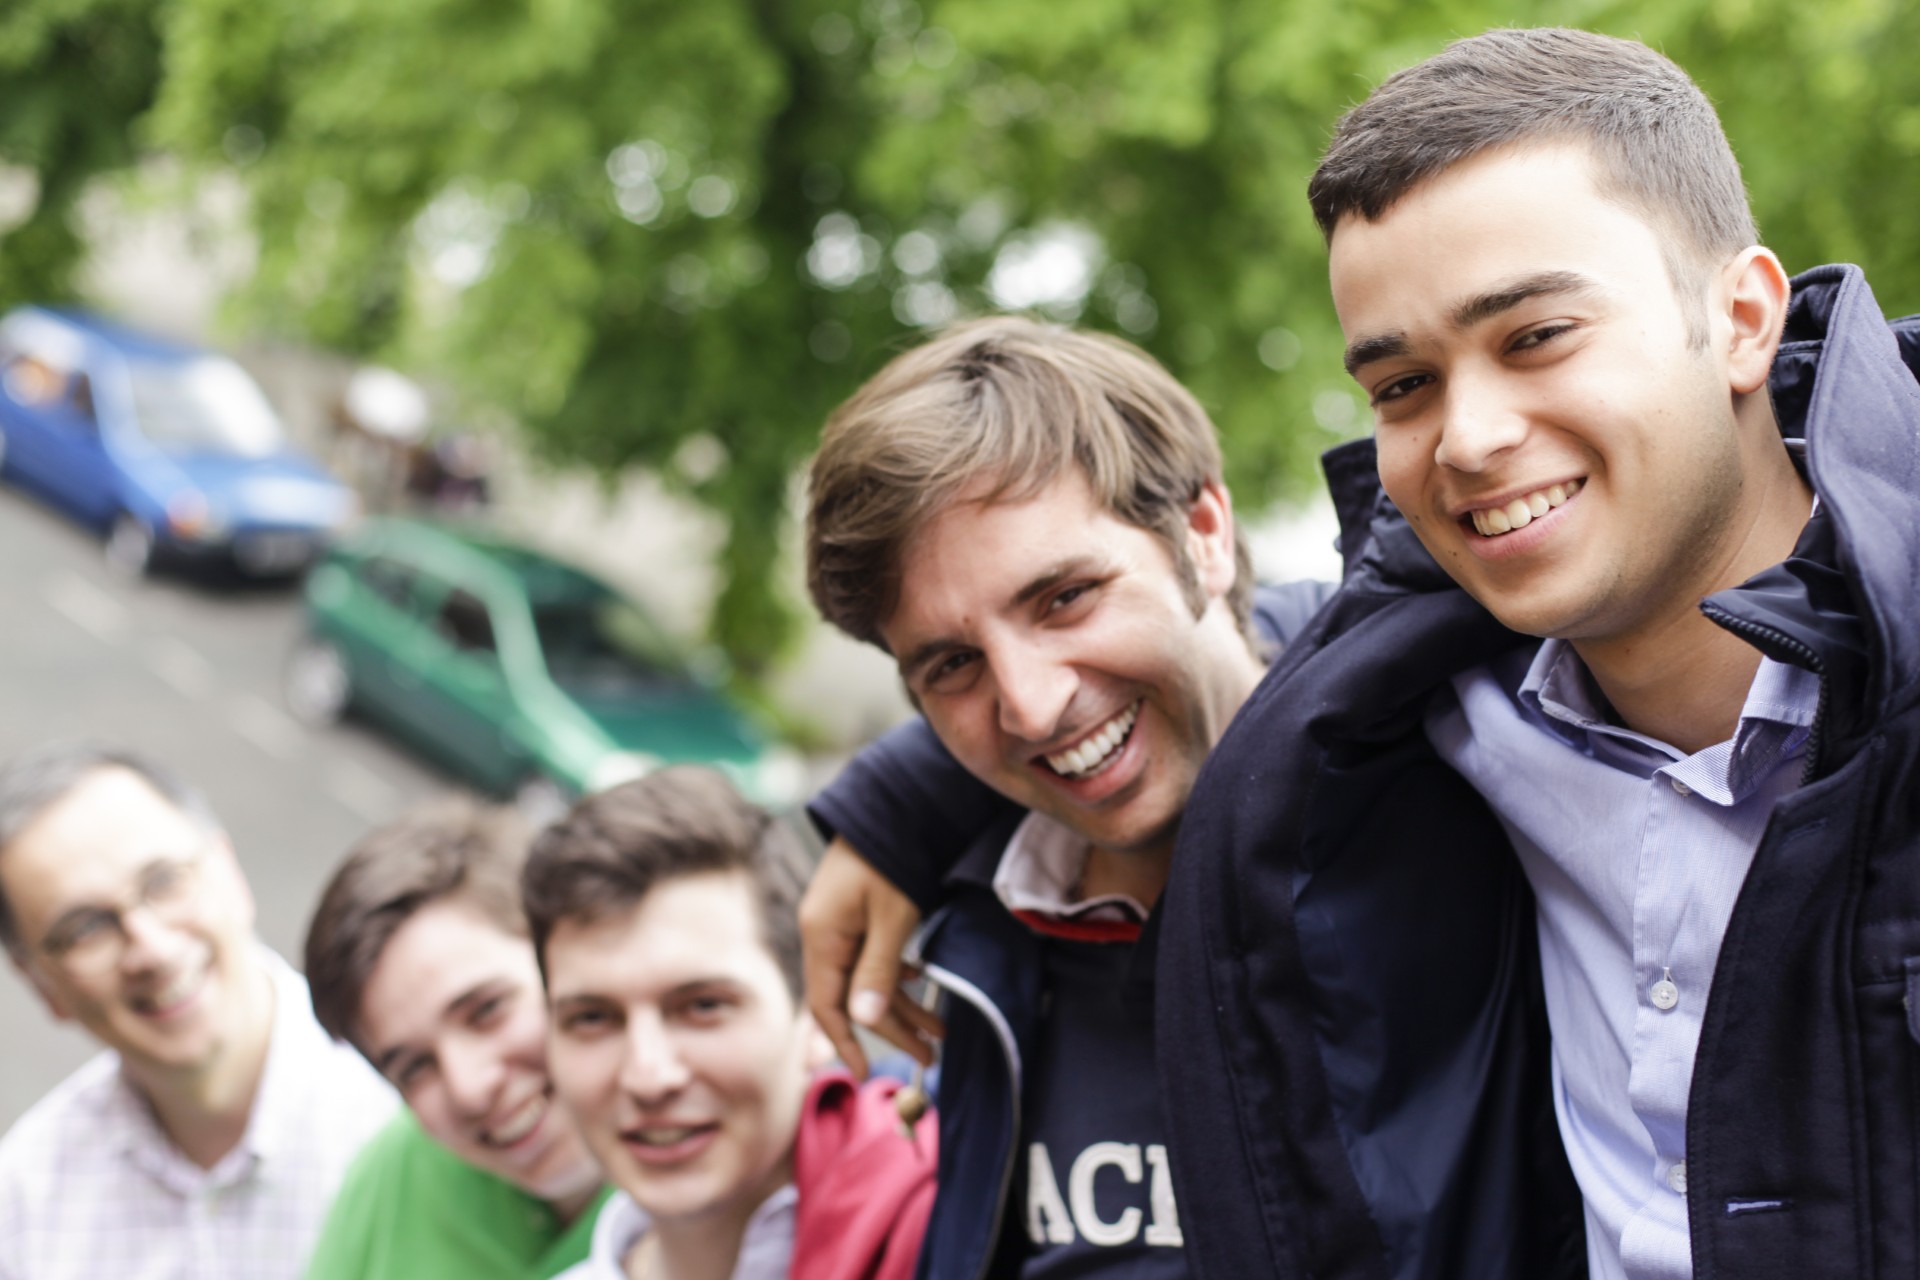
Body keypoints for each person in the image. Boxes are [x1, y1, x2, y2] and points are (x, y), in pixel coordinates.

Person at [802, 26, 1920, 1280]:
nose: (1473, 436)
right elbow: (1210, 660)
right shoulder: (1422, 710)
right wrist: (902, 793)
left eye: (1537, 334)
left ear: (1741, 317)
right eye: (1401, 385)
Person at [802, 316, 1336, 1278]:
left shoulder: (1434, 811)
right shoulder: (975, 931)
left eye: (1065, 597)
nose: (1033, 705)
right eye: (953, 663)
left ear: (1203, 535)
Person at [522, 767, 936, 1280]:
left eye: (703, 1007)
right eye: (592, 1018)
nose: (648, 1076)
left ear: (813, 1016)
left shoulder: (958, 1221)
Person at [0, 743, 394, 1279]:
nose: (152, 951)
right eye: (85, 928)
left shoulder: (410, 1110)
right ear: (41, 985)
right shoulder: (24, 1202)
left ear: (229, 872)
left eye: (163, 882)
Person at [301, 797, 609, 1279]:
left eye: (487, 1010)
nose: (469, 1086)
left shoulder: (726, 1188)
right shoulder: (397, 1170)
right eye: (415, 1068)